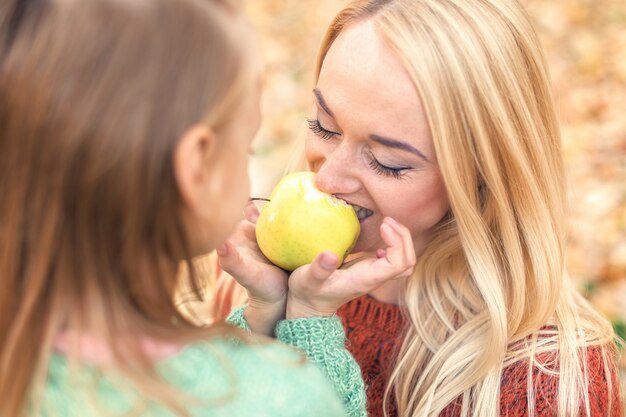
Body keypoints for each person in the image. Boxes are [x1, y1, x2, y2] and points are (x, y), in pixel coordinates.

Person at [216, 0, 624, 416]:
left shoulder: (547, 383)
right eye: (325, 125)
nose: (327, 180)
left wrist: (309, 330)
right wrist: (266, 318)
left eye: (388, 161)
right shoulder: (250, 281)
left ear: (482, 175)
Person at [0, 0, 385, 416]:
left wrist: (263, 314)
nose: (326, 181)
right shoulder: (285, 396)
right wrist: (310, 324)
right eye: (246, 149)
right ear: (196, 167)